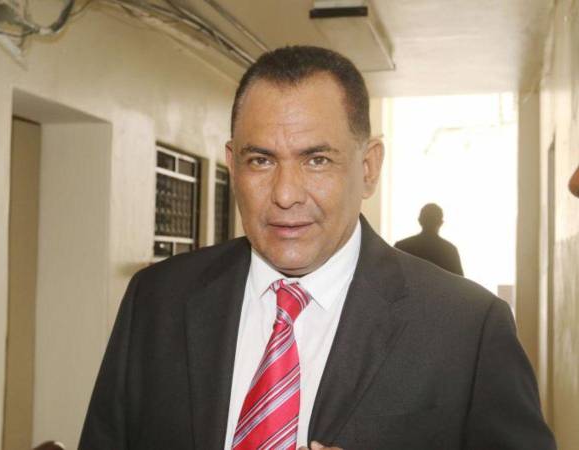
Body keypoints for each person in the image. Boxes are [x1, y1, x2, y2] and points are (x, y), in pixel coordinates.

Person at [79, 46, 556, 450]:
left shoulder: (467, 329)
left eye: (317, 160)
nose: (286, 194)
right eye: (261, 160)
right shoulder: (157, 300)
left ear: (368, 168)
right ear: (232, 165)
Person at [395, 203, 464, 275]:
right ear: (441, 223)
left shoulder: (401, 247)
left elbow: (391, 276)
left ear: (420, 220)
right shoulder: (450, 250)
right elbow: (459, 280)